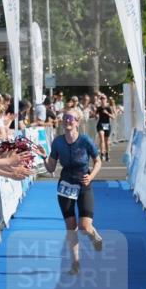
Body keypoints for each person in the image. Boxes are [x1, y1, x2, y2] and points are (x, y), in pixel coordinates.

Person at [44, 106, 104, 276]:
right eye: (65, 118)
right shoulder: (58, 142)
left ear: (78, 122)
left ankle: (93, 235)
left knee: (84, 227)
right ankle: (75, 263)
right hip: (65, 187)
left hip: (83, 184)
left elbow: (98, 161)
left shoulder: (85, 140)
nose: (67, 121)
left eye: (71, 118)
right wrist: (44, 156)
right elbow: (51, 168)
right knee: (71, 228)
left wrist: (91, 176)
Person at [94, 96, 115, 161]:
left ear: (106, 100)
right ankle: (102, 154)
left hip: (106, 124)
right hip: (100, 124)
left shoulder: (108, 108)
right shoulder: (99, 108)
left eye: (104, 99)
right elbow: (95, 116)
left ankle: (107, 154)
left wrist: (107, 113)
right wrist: (96, 116)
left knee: (106, 140)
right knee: (101, 138)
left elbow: (113, 117)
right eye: (101, 99)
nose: (102, 100)